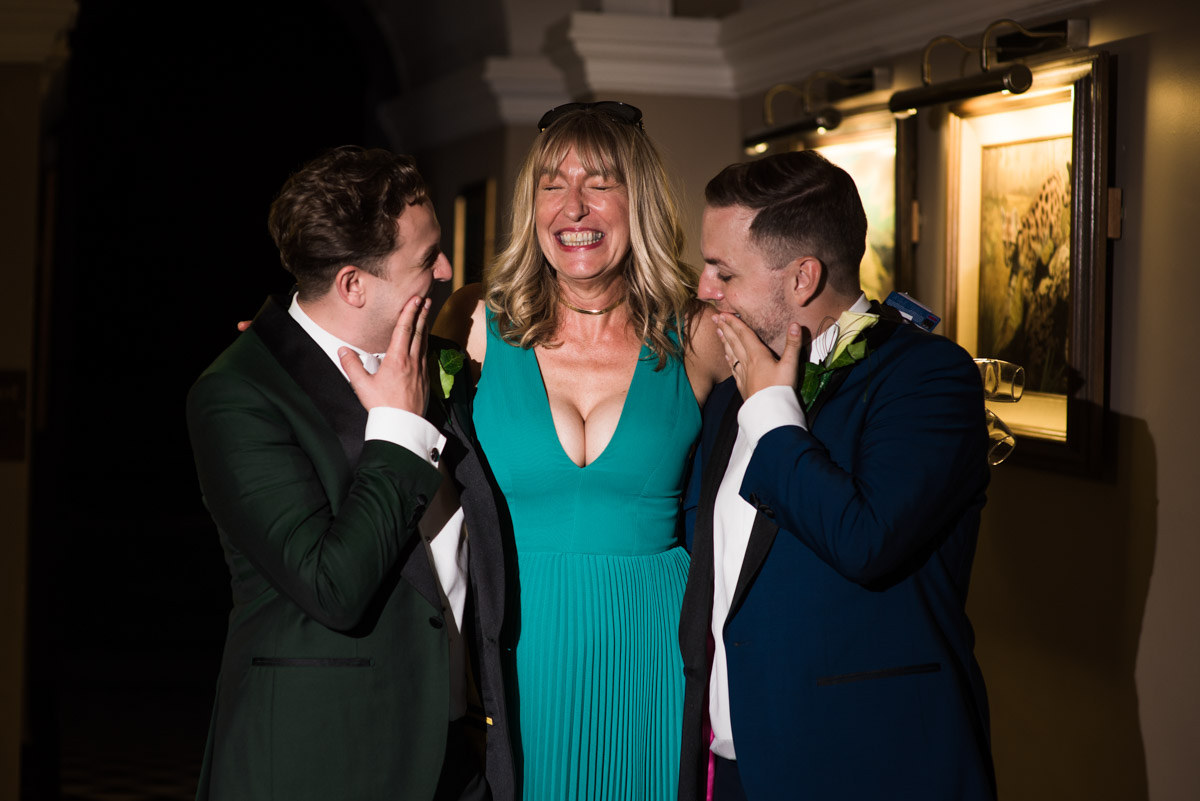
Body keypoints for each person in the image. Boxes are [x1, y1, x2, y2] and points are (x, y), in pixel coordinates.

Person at [186, 146, 512, 801]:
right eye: (426, 259)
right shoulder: (238, 394)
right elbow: (333, 584)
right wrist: (397, 428)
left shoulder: (443, 364)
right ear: (354, 284)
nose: (447, 270)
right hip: (321, 758)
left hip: (457, 754)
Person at [677, 150, 995, 801]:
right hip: (733, 761)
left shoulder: (928, 379)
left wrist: (771, 410)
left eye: (724, 270)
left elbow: (866, 540)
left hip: (866, 761)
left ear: (801, 278)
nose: (705, 287)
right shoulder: (737, 384)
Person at [435, 102, 727, 800]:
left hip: (655, 654)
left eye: (600, 181)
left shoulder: (701, 335)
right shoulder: (476, 328)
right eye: (551, 183)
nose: (574, 206)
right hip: (518, 650)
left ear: (639, 199)